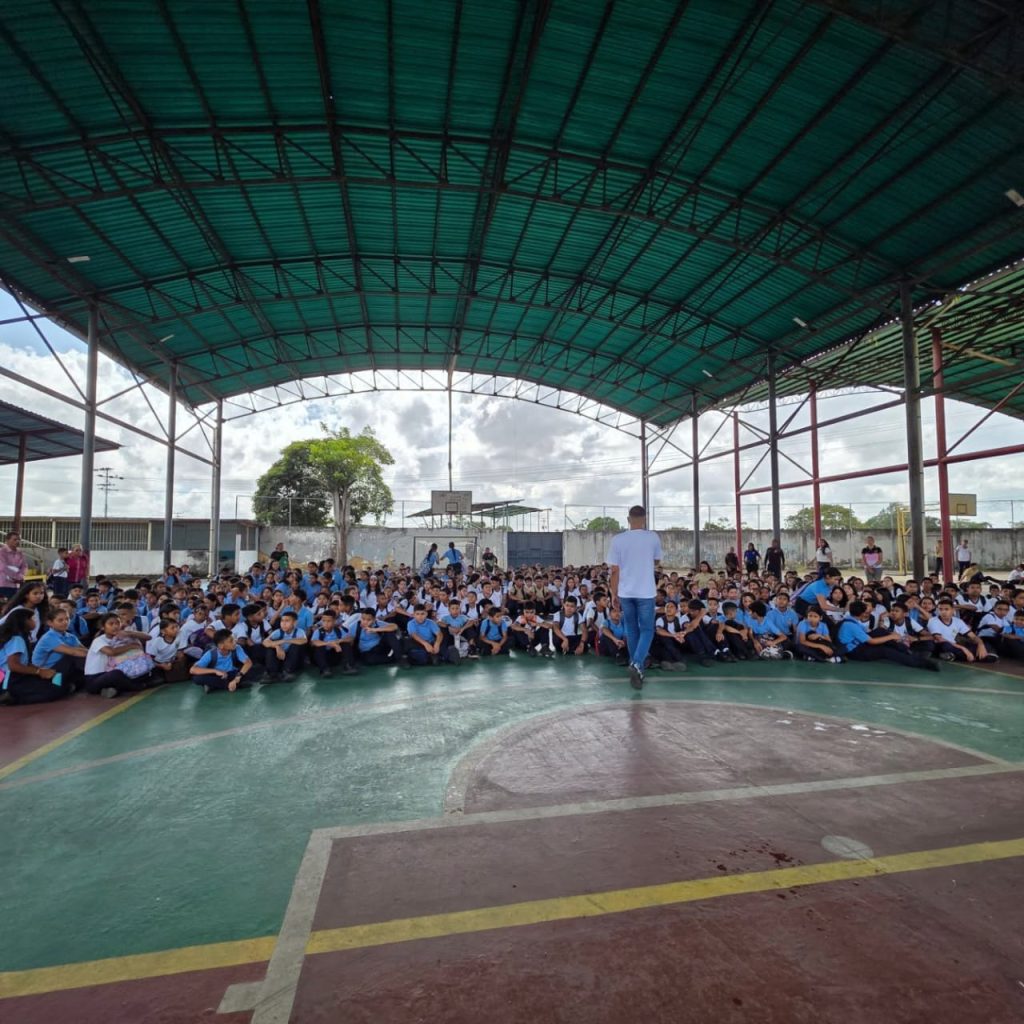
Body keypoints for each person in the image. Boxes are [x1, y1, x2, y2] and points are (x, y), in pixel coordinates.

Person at [607, 506, 661, 690]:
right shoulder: (653, 537)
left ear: (628, 519)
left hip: (625, 593)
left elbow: (614, 570)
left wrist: (613, 593)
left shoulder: (618, 540)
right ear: (645, 519)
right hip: (646, 592)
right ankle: (637, 663)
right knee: (647, 630)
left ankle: (635, 666)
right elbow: (656, 560)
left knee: (631, 630)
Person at [0, 608, 73, 705]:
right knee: (56, 690)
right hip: (10, 681)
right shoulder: (17, 639)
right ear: (24, 621)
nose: (34, 621)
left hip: (14, 677)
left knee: (54, 684)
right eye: (31, 619)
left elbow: (24, 662)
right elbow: (13, 666)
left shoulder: (20, 637)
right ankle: (12, 697)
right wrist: (39, 671)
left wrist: (40, 670)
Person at [190, 629, 257, 693]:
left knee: (252, 671)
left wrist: (237, 678)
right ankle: (230, 685)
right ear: (221, 645)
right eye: (231, 641)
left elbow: (248, 663)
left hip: (232, 674)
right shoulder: (211, 654)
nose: (234, 642)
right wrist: (215, 671)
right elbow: (193, 670)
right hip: (217, 676)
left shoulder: (237, 648)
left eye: (233, 639)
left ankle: (214, 686)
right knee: (197, 678)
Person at [0, 532, 28, 600]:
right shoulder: (2, 552)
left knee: (14, 605)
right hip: (3, 584)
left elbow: (24, 566)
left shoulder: (20, 552)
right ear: (7, 540)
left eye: (19, 539)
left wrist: (20, 576)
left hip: (16, 585)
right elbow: (3, 567)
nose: (17, 541)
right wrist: (17, 576)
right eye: (15, 539)